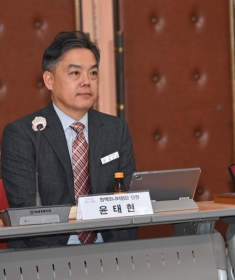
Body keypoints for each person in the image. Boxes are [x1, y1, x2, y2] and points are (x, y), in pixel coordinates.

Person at [1, 31, 137, 248]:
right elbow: (26, 213)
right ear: (49, 80)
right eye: (75, 73)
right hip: (46, 255)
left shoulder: (115, 130)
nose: (86, 82)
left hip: (109, 251)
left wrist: (119, 254)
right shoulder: (24, 134)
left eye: (93, 73)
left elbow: (130, 201)